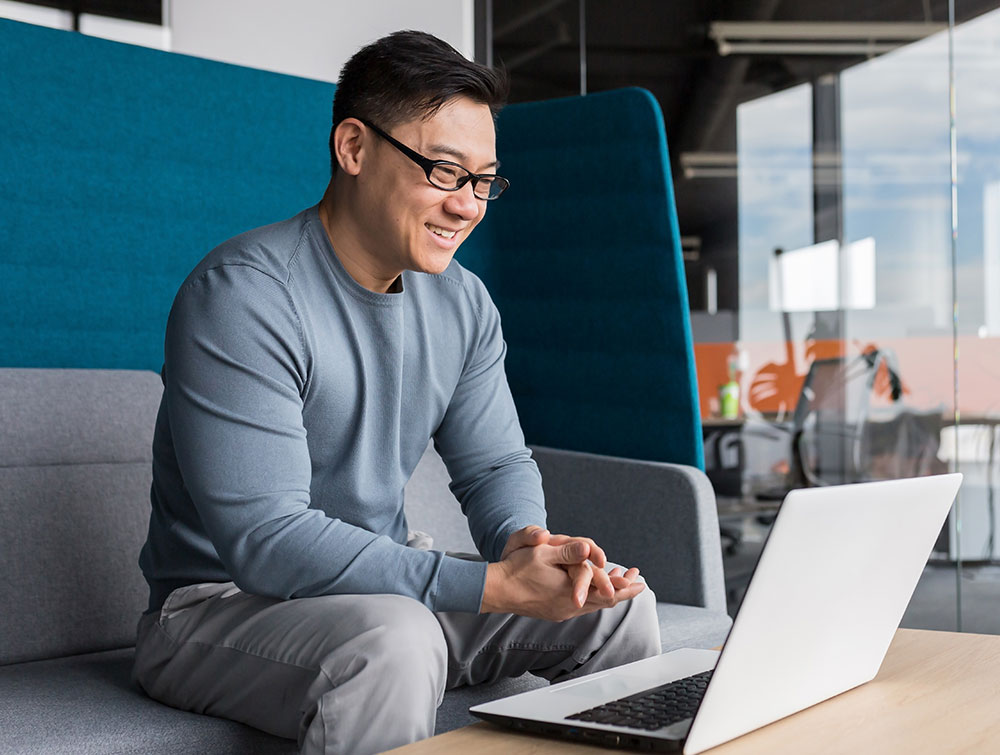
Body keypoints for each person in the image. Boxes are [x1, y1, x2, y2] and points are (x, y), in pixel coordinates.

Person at [133, 30, 660, 755]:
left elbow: (495, 466)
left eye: (484, 181)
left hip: (382, 594)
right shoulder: (244, 295)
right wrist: (493, 588)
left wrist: (529, 549)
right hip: (218, 609)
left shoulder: (463, 303)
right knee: (397, 641)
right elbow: (266, 539)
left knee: (616, 611)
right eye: (445, 173)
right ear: (354, 148)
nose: (468, 206)